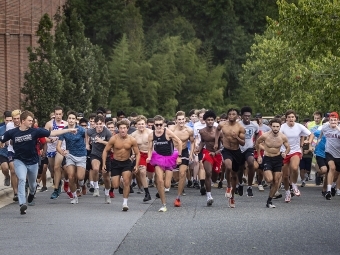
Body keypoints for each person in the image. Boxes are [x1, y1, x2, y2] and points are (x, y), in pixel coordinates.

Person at [0, 110, 77, 215]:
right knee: (22, 179)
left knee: (32, 184)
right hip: (19, 160)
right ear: (23, 121)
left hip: (33, 162)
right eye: (29, 120)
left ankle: (32, 193)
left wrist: (68, 130)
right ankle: (22, 204)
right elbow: (2, 138)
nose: (31, 122)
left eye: (32, 120)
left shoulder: (35, 131)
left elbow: (53, 133)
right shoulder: (12, 132)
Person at [102, 119, 140, 211]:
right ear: (118, 129)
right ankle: (117, 184)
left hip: (126, 162)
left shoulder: (132, 140)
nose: (123, 130)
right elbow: (105, 150)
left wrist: (136, 165)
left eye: (124, 128)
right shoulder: (114, 138)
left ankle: (125, 203)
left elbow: (138, 153)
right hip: (116, 162)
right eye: (121, 128)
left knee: (127, 181)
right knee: (115, 185)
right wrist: (103, 164)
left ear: (127, 129)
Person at [146, 115, 182, 212]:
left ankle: (164, 185)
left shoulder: (167, 132)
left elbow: (179, 141)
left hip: (170, 158)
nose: (158, 127)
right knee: (160, 181)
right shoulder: (151, 135)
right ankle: (163, 204)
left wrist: (179, 156)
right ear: (154, 125)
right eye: (156, 125)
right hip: (158, 158)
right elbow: (149, 148)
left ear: (163, 124)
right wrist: (149, 157)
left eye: (160, 124)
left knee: (167, 185)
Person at [214, 108, 245, 208]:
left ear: (237, 116)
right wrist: (216, 142)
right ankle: (228, 186)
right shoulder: (223, 124)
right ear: (227, 115)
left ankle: (232, 198)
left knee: (235, 176)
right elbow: (217, 131)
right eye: (230, 114)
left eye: (234, 114)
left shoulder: (240, 127)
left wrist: (236, 137)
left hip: (236, 151)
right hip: (226, 150)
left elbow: (243, 143)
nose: (231, 116)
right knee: (228, 167)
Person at [256, 118, 290, 208]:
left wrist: (285, 153)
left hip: (278, 159)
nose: (275, 128)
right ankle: (266, 175)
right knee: (269, 180)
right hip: (267, 158)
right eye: (274, 126)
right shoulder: (265, 136)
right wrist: (259, 155)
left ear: (280, 127)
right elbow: (257, 143)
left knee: (276, 181)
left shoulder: (283, 137)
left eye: (277, 126)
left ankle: (269, 201)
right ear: (271, 126)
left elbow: (288, 147)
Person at [280, 110, 313, 202]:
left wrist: (309, 141)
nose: (291, 118)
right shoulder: (282, 127)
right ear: (286, 118)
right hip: (284, 152)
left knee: (294, 168)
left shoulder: (299, 126)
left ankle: (294, 184)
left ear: (295, 118)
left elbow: (311, 134)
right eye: (289, 117)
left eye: (292, 117)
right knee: (285, 176)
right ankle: (287, 193)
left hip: (295, 150)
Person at [57, 110, 87, 204]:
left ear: (76, 120)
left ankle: (82, 184)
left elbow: (87, 138)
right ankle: (74, 196)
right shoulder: (64, 131)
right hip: (70, 155)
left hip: (81, 155)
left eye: (73, 118)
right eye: (69, 118)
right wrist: (62, 152)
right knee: (71, 177)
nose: (71, 120)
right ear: (67, 119)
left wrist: (87, 145)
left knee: (80, 177)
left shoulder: (81, 130)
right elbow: (58, 145)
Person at [196, 110, 222, 206]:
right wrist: (198, 149)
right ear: (205, 120)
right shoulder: (202, 131)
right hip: (207, 153)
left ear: (214, 120)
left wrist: (217, 152)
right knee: (208, 172)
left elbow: (224, 146)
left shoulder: (218, 131)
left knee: (214, 177)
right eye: (208, 120)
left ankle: (212, 181)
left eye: (212, 120)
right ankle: (209, 196)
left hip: (217, 154)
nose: (210, 121)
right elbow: (203, 142)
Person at [169, 111, 194, 207]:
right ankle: (174, 184)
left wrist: (191, 154)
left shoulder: (189, 130)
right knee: (176, 177)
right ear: (176, 120)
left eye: (183, 119)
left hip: (183, 152)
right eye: (179, 119)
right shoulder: (171, 129)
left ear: (185, 120)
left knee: (182, 173)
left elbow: (192, 142)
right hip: (172, 152)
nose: (181, 121)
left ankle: (178, 198)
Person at [86, 115, 112, 202]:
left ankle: (107, 194)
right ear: (94, 124)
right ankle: (96, 187)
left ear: (103, 124)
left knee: (106, 178)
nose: (99, 126)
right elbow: (86, 133)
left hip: (106, 155)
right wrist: (87, 143)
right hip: (95, 154)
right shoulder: (91, 131)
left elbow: (111, 144)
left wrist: (101, 141)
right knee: (95, 169)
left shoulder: (107, 132)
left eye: (100, 124)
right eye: (97, 124)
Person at [45, 106, 68, 199]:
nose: (58, 116)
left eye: (60, 114)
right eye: (56, 114)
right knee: (52, 170)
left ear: (62, 114)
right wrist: (50, 140)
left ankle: (56, 189)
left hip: (61, 148)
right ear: (54, 114)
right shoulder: (49, 124)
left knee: (56, 167)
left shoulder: (66, 124)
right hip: (51, 148)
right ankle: (58, 183)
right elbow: (44, 137)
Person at [131, 115, 154, 202]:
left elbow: (155, 146)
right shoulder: (133, 135)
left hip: (151, 154)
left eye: (143, 124)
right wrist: (133, 154)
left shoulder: (151, 132)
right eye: (139, 124)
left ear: (146, 124)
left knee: (151, 175)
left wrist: (151, 156)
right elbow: (133, 146)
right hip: (140, 154)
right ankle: (147, 193)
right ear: (136, 125)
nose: (141, 126)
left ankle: (159, 189)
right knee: (142, 171)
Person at [238, 106, 259, 197]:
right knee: (240, 167)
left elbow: (258, 133)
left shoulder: (254, 125)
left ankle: (249, 187)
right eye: (245, 116)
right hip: (239, 148)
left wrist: (256, 143)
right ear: (242, 116)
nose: (247, 117)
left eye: (249, 116)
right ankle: (240, 184)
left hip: (249, 147)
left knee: (251, 163)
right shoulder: (238, 124)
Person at [318, 112, 340, 200]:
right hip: (329, 152)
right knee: (332, 168)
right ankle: (328, 191)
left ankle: (333, 185)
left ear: (338, 121)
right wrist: (317, 142)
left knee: (336, 174)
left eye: (335, 120)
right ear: (329, 121)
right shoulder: (325, 127)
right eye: (331, 120)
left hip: (339, 154)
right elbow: (319, 135)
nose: (333, 122)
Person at [0, 112, 12, 186]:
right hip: (3, 152)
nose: (8, 122)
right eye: (7, 120)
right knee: (5, 168)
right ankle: (7, 176)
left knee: (14, 170)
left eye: (10, 120)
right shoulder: (1, 129)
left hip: (13, 152)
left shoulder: (15, 128)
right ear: (4, 120)